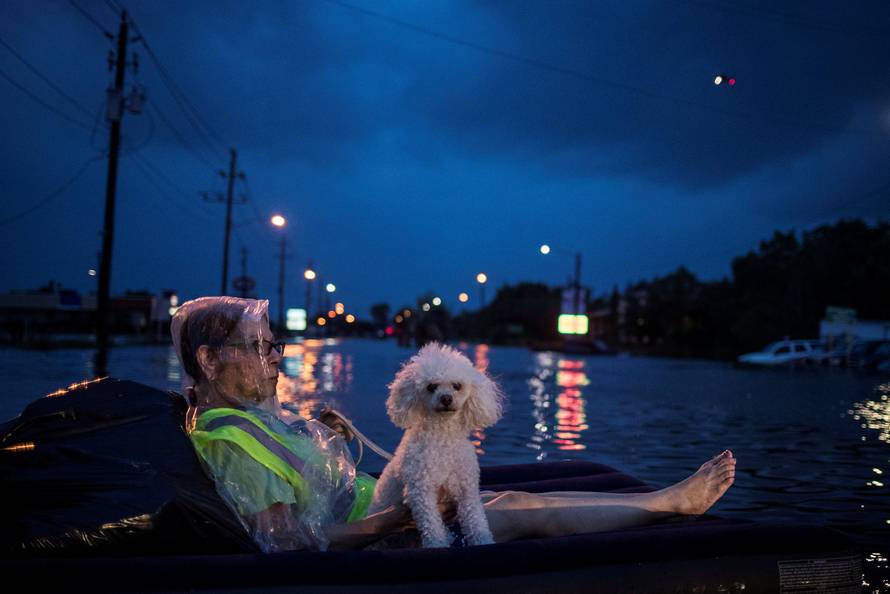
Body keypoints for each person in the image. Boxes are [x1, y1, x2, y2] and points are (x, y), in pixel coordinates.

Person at [172, 296, 736, 552]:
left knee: (508, 492)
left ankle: (662, 502)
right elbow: (287, 544)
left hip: (374, 508)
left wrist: (327, 435)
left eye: (275, 345)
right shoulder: (228, 440)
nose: (276, 357)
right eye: (261, 347)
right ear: (209, 361)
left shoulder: (246, 419)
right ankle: (671, 505)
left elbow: (303, 488)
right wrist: (391, 522)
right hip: (375, 539)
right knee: (509, 509)